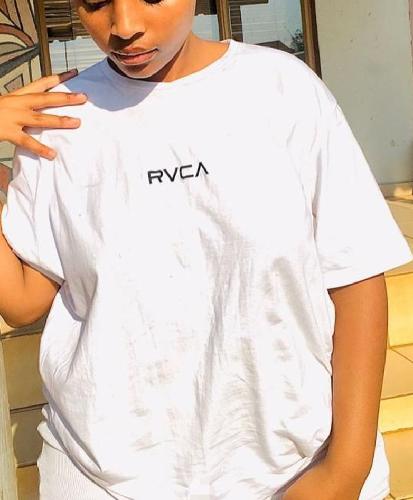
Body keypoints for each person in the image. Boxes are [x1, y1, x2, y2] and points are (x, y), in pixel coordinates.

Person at [0, 0, 411, 498]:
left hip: (298, 466)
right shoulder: (60, 119)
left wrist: (346, 469)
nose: (124, 26)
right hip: (104, 472)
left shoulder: (283, 90)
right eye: (95, 1)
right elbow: (23, 300)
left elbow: (356, 274)